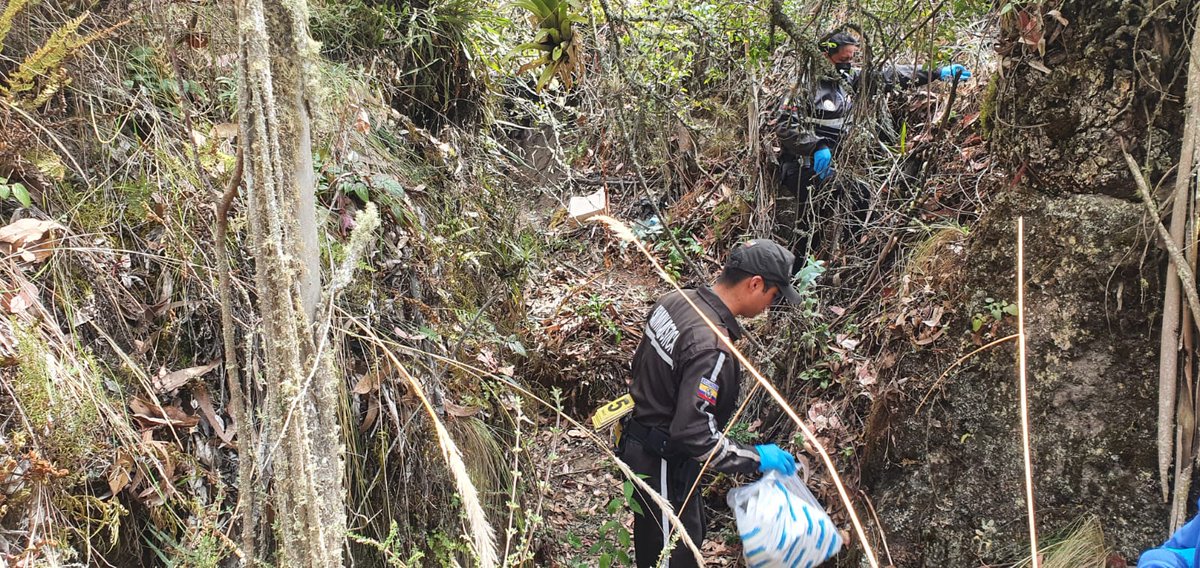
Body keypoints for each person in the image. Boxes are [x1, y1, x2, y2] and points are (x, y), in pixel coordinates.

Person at [618, 238, 804, 568]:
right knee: (669, 558)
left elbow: (641, 367)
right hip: (661, 461)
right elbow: (694, 435)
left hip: (640, 444)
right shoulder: (712, 346)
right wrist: (755, 458)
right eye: (773, 297)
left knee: (676, 540)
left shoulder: (675, 300)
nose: (770, 306)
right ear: (755, 284)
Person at [774, 30, 972, 257]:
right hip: (802, 165)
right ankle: (795, 275)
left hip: (834, 165)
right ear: (824, 55)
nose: (847, 65)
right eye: (843, 60)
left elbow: (891, 75)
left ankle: (848, 257)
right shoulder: (802, 86)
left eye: (851, 60)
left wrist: (936, 73)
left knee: (855, 196)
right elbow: (785, 125)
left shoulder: (847, 80)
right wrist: (816, 146)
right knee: (820, 215)